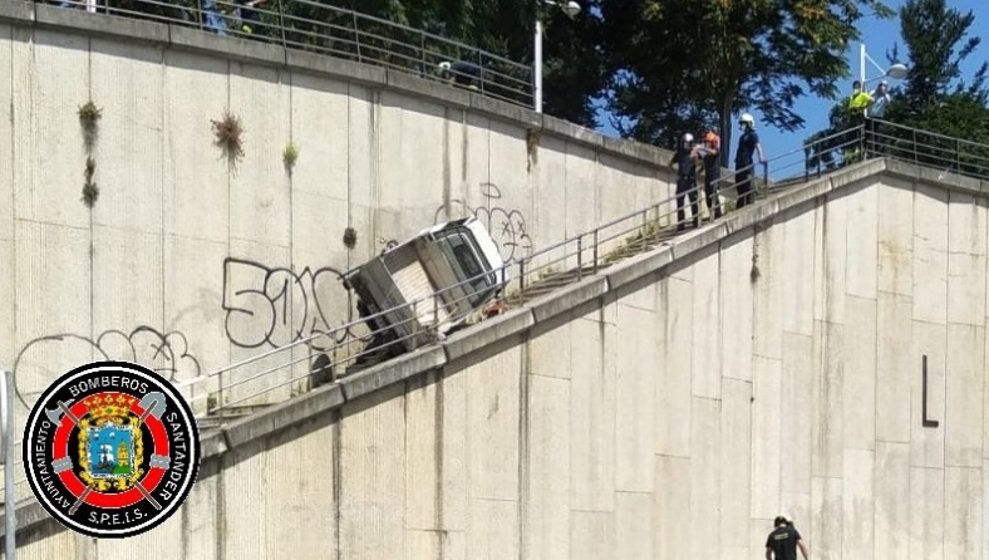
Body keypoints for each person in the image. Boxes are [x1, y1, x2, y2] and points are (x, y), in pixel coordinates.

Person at [670, 132, 700, 231]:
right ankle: (681, 224)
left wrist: (695, 155)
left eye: (687, 143)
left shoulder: (694, 153)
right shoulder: (680, 153)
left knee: (693, 201)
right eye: (684, 143)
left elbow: (699, 163)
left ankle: (696, 221)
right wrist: (677, 173)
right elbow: (670, 164)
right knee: (680, 202)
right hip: (682, 179)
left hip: (691, 180)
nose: (685, 145)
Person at [734, 113, 764, 209]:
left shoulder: (753, 135)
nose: (742, 126)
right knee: (739, 186)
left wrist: (761, 157)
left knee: (748, 186)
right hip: (739, 164)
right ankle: (740, 206)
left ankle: (749, 205)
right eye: (741, 124)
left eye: (744, 123)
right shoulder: (742, 137)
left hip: (747, 164)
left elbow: (757, 146)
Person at [693, 129, 722, 220]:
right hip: (708, 176)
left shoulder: (714, 151)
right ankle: (712, 213)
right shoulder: (706, 154)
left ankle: (717, 214)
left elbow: (714, 152)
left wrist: (701, 148)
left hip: (714, 175)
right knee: (708, 197)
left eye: (707, 142)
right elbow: (702, 164)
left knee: (713, 195)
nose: (706, 143)